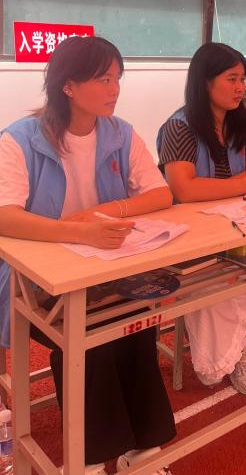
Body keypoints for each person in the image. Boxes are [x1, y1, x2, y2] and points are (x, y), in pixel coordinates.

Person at [0, 36, 176, 475]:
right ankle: (91, 458)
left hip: (104, 266)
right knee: (89, 333)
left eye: (117, 79)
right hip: (34, 276)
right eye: (103, 80)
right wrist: (77, 232)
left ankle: (145, 448)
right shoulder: (19, 139)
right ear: (68, 86)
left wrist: (106, 214)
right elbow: (5, 217)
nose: (115, 90)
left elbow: (160, 194)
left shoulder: (120, 133)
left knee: (137, 323)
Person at [157, 43, 246, 396]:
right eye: (231, 79)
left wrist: (224, 186)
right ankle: (225, 356)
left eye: (242, 79)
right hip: (194, 235)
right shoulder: (180, 127)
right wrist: (241, 184)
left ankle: (237, 344)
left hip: (243, 226)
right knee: (214, 280)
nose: (240, 87)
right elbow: (184, 189)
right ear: (205, 82)